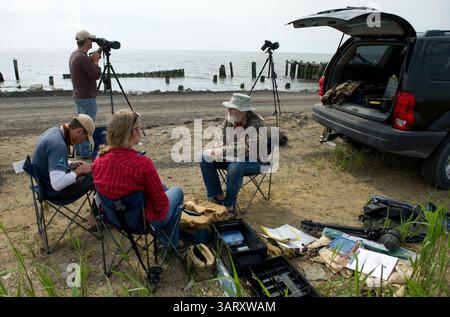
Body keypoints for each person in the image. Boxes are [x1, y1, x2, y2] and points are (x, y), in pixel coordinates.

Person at [92, 110, 184, 248]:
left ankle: (169, 240)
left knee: (163, 186)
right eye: (139, 128)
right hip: (141, 222)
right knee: (177, 192)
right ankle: (169, 243)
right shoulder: (142, 164)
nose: (140, 131)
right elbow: (161, 205)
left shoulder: (99, 160)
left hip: (113, 218)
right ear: (133, 132)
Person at [200, 93, 267, 217]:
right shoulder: (231, 118)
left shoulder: (257, 123)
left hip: (256, 160)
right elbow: (221, 133)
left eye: (232, 108)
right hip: (231, 156)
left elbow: (247, 148)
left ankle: (229, 205)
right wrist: (219, 144)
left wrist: (223, 150)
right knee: (204, 157)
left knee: (235, 167)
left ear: (243, 110)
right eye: (229, 107)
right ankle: (217, 197)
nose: (229, 110)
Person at [32, 114, 95, 203]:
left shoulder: (54, 131)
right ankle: (98, 215)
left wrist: (70, 164)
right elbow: (57, 184)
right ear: (80, 131)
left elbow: (50, 159)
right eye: (85, 138)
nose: (83, 142)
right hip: (54, 193)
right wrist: (78, 171)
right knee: (97, 176)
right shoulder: (59, 145)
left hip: (43, 185)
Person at [69, 30, 101, 159]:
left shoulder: (75, 55)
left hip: (79, 96)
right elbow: (96, 74)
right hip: (86, 97)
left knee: (78, 124)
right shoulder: (82, 57)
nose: (92, 41)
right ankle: (85, 153)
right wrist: (95, 61)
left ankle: (78, 149)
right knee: (86, 125)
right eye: (90, 40)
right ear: (86, 41)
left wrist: (91, 60)